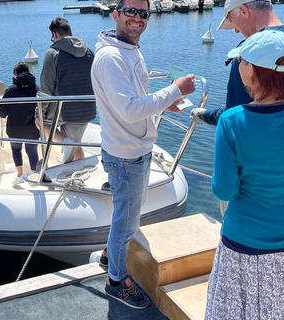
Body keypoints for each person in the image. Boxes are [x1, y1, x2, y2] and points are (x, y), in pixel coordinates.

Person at [91, 0, 196, 309]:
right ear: (115, 14)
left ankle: (109, 257)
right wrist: (175, 90)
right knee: (127, 221)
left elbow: (137, 98)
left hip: (130, 150)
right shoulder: (111, 57)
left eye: (143, 13)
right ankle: (115, 281)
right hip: (127, 155)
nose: (137, 18)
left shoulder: (127, 50)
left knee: (124, 215)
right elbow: (129, 109)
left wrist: (165, 102)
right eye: (130, 12)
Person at [205, 30, 284, 320]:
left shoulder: (232, 122)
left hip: (244, 244)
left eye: (241, 61)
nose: (238, 66)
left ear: (255, 71)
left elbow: (225, 191)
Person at [190, 0, 284, 126]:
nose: (236, 31)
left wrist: (201, 115)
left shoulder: (246, 56)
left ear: (243, 11)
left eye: (233, 22)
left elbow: (235, 115)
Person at [37, 17, 96, 164]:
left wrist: (40, 111)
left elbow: (46, 88)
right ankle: (77, 169)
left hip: (63, 109)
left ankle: (66, 144)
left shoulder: (52, 53)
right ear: (71, 32)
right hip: (86, 109)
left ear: (55, 35)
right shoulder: (89, 52)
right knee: (75, 145)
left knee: (40, 122)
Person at [0, 62, 40, 185]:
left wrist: (1, 114)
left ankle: (20, 175)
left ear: (16, 74)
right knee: (32, 151)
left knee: (16, 149)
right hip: (33, 127)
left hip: (15, 128)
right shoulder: (37, 89)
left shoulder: (11, 90)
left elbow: (3, 111)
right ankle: (33, 177)